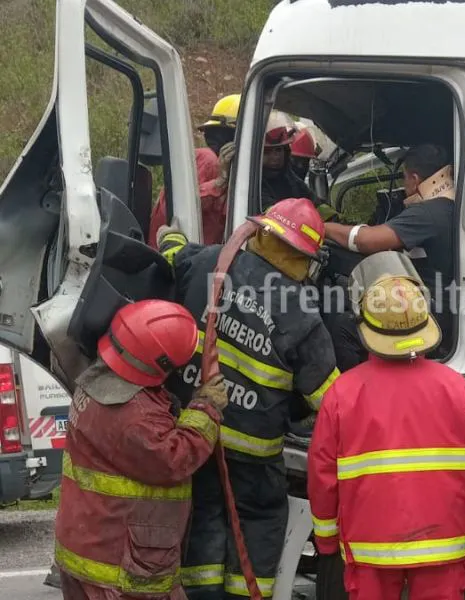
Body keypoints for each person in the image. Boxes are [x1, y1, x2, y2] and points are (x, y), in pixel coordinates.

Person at [156, 197, 340, 600]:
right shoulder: (300, 311)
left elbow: (170, 253)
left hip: (197, 435)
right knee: (257, 525)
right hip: (255, 458)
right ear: (304, 257)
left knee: (202, 521)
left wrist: (170, 233)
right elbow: (331, 399)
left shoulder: (206, 263)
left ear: (260, 233)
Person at [307, 251, 465, 600]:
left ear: (364, 325)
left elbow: (322, 474)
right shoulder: (459, 390)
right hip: (444, 543)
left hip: (370, 546)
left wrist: (327, 538)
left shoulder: (341, 394)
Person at [53, 299, 229, 600]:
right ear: (159, 363)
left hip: (84, 548)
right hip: (118, 571)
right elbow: (174, 459)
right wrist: (205, 408)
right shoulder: (134, 418)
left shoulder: (93, 381)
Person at [323, 144, 456, 370]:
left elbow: (368, 240)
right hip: (444, 305)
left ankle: (359, 389)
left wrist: (321, 226)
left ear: (414, 178)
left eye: (404, 178)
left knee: (341, 327)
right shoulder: (449, 205)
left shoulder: (428, 212)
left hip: (430, 312)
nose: (404, 187)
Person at [148, 94, 241, 247]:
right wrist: (219, 182)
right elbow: (179, 208)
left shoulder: (227, 170)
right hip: (177, 258)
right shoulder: (208, 160)